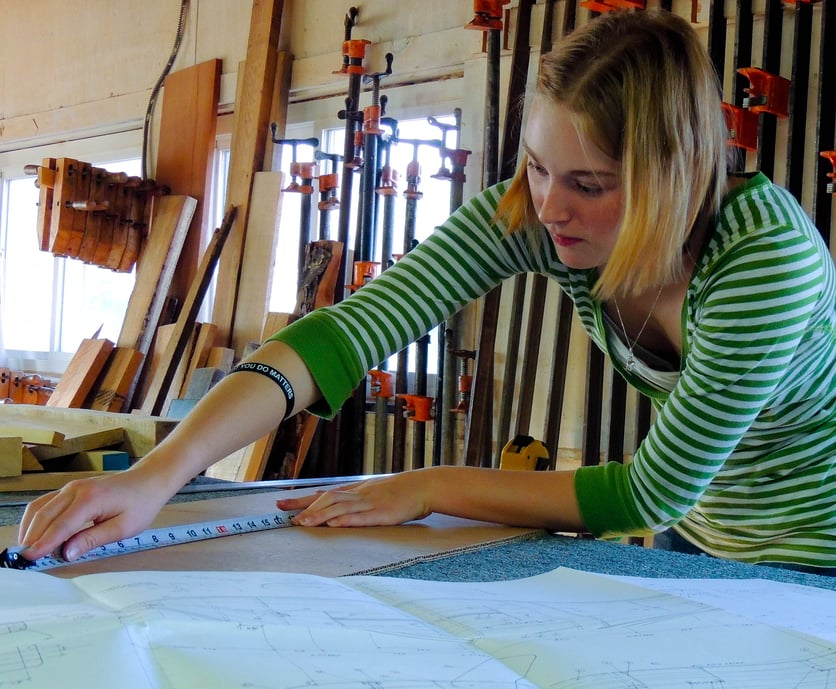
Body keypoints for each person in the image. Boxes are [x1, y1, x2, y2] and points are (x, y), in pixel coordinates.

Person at [18, 9, 836, 573]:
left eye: (589, 182)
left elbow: (646, 489)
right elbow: (344, 335)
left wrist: (428, 482)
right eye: (539, 165)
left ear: (676, 177)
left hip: (819, 553)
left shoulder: (763, 262)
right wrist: (157, 477)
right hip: (705, 538)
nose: (550, 206)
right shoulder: (544, 217)